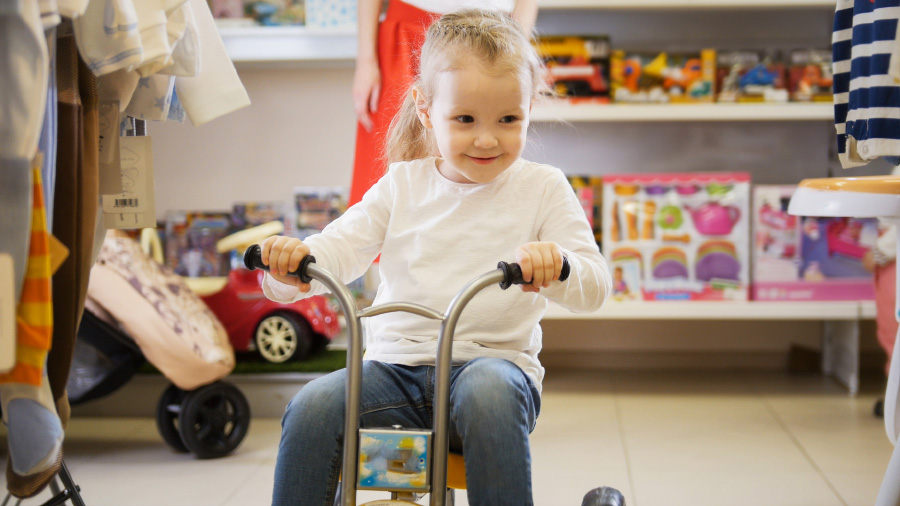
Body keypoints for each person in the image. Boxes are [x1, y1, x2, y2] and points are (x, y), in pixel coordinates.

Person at [261, 9, 610, 506]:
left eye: (508, 120)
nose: (487, 139)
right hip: (392, 373)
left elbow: (595, 286)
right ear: (426, 111)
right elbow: (334, 251)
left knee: (487, 392)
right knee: (313, 406)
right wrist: (290, 265)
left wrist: (559, 267)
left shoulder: (543, 187)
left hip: (492, 370)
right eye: (465, 119)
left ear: (529, 108)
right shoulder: (403, 184)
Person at [349, 0, 538, 207]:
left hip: (493, 38)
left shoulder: (547, 186)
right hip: (407, 33)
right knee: (385, 171)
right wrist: (366, 60)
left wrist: (518, 57)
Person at [865, 219, 898, 417]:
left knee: (894, 338)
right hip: (890, 272)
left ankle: (895, 400)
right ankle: (894, 397)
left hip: (894, 272)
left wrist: (878, 252)